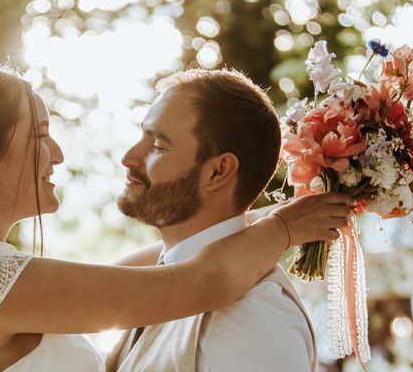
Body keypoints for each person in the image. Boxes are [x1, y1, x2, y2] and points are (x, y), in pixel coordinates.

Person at [0, 60, 353, 372]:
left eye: (158, 143)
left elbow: (161, 263)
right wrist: (286, 227)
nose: (57, 154)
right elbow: (196, 281)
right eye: (39, 135)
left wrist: (269, 212)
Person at [106, 68, 325, 372]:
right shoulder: (160, 277)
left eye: (157, 144)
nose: (129, 157)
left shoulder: (253, 321)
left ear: (218, 171)